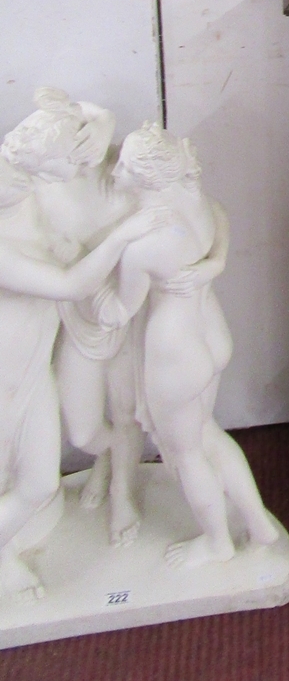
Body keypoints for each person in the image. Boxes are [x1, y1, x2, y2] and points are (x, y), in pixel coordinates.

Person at [4, 89, 229, 547]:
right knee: (85, 429)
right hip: (81, 319)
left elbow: (207, 208)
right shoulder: (29, 187)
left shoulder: (121, 175)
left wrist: (215, 263)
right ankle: (103, 459)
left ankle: (123, 492)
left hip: (126, 318)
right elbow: (72, 284)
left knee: (126, 413)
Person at [103, 124, 277, 569]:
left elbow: (121, 309)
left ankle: (216, 542)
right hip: (211, 334)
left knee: (184, 452)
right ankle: (259, 524)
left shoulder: (143, 245)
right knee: (207, 434)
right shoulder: (197, 201)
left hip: (175, 350)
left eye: (125, 165)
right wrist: (213, 264)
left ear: (147, 178)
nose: (116, 169)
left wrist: (99, 264)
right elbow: (222, 219)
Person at [0, 144, 166, 601]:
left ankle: (115, 488)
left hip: (33, 381)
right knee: (30, 473)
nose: (13, 175)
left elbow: (74, 133)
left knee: (39, 483)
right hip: (5, 388)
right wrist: (120, 238)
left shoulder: (31, 201)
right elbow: (70, 284)